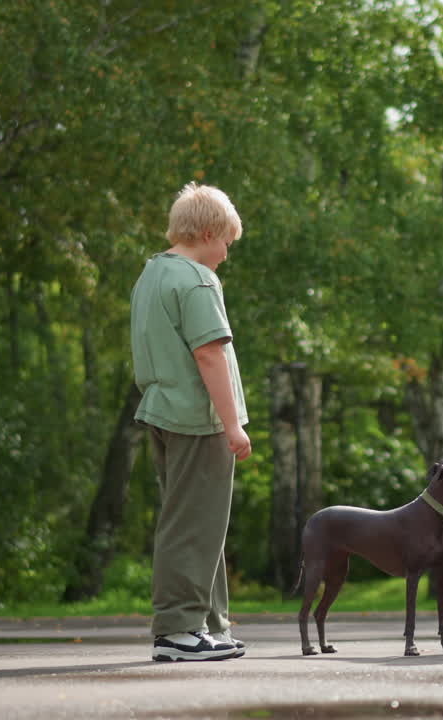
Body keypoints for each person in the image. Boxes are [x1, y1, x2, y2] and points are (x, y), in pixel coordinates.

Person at [130, 182, 252, 662]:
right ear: (206, 232)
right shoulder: (198, 280)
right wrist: (232, 424)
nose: (225, 255)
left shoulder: (152, 275)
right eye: (225, 242)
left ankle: (209, 624)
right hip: (196, 419)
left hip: (163, 410)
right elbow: (208, 354)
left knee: (203, 521)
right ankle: (179, 630)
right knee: (191, 524)